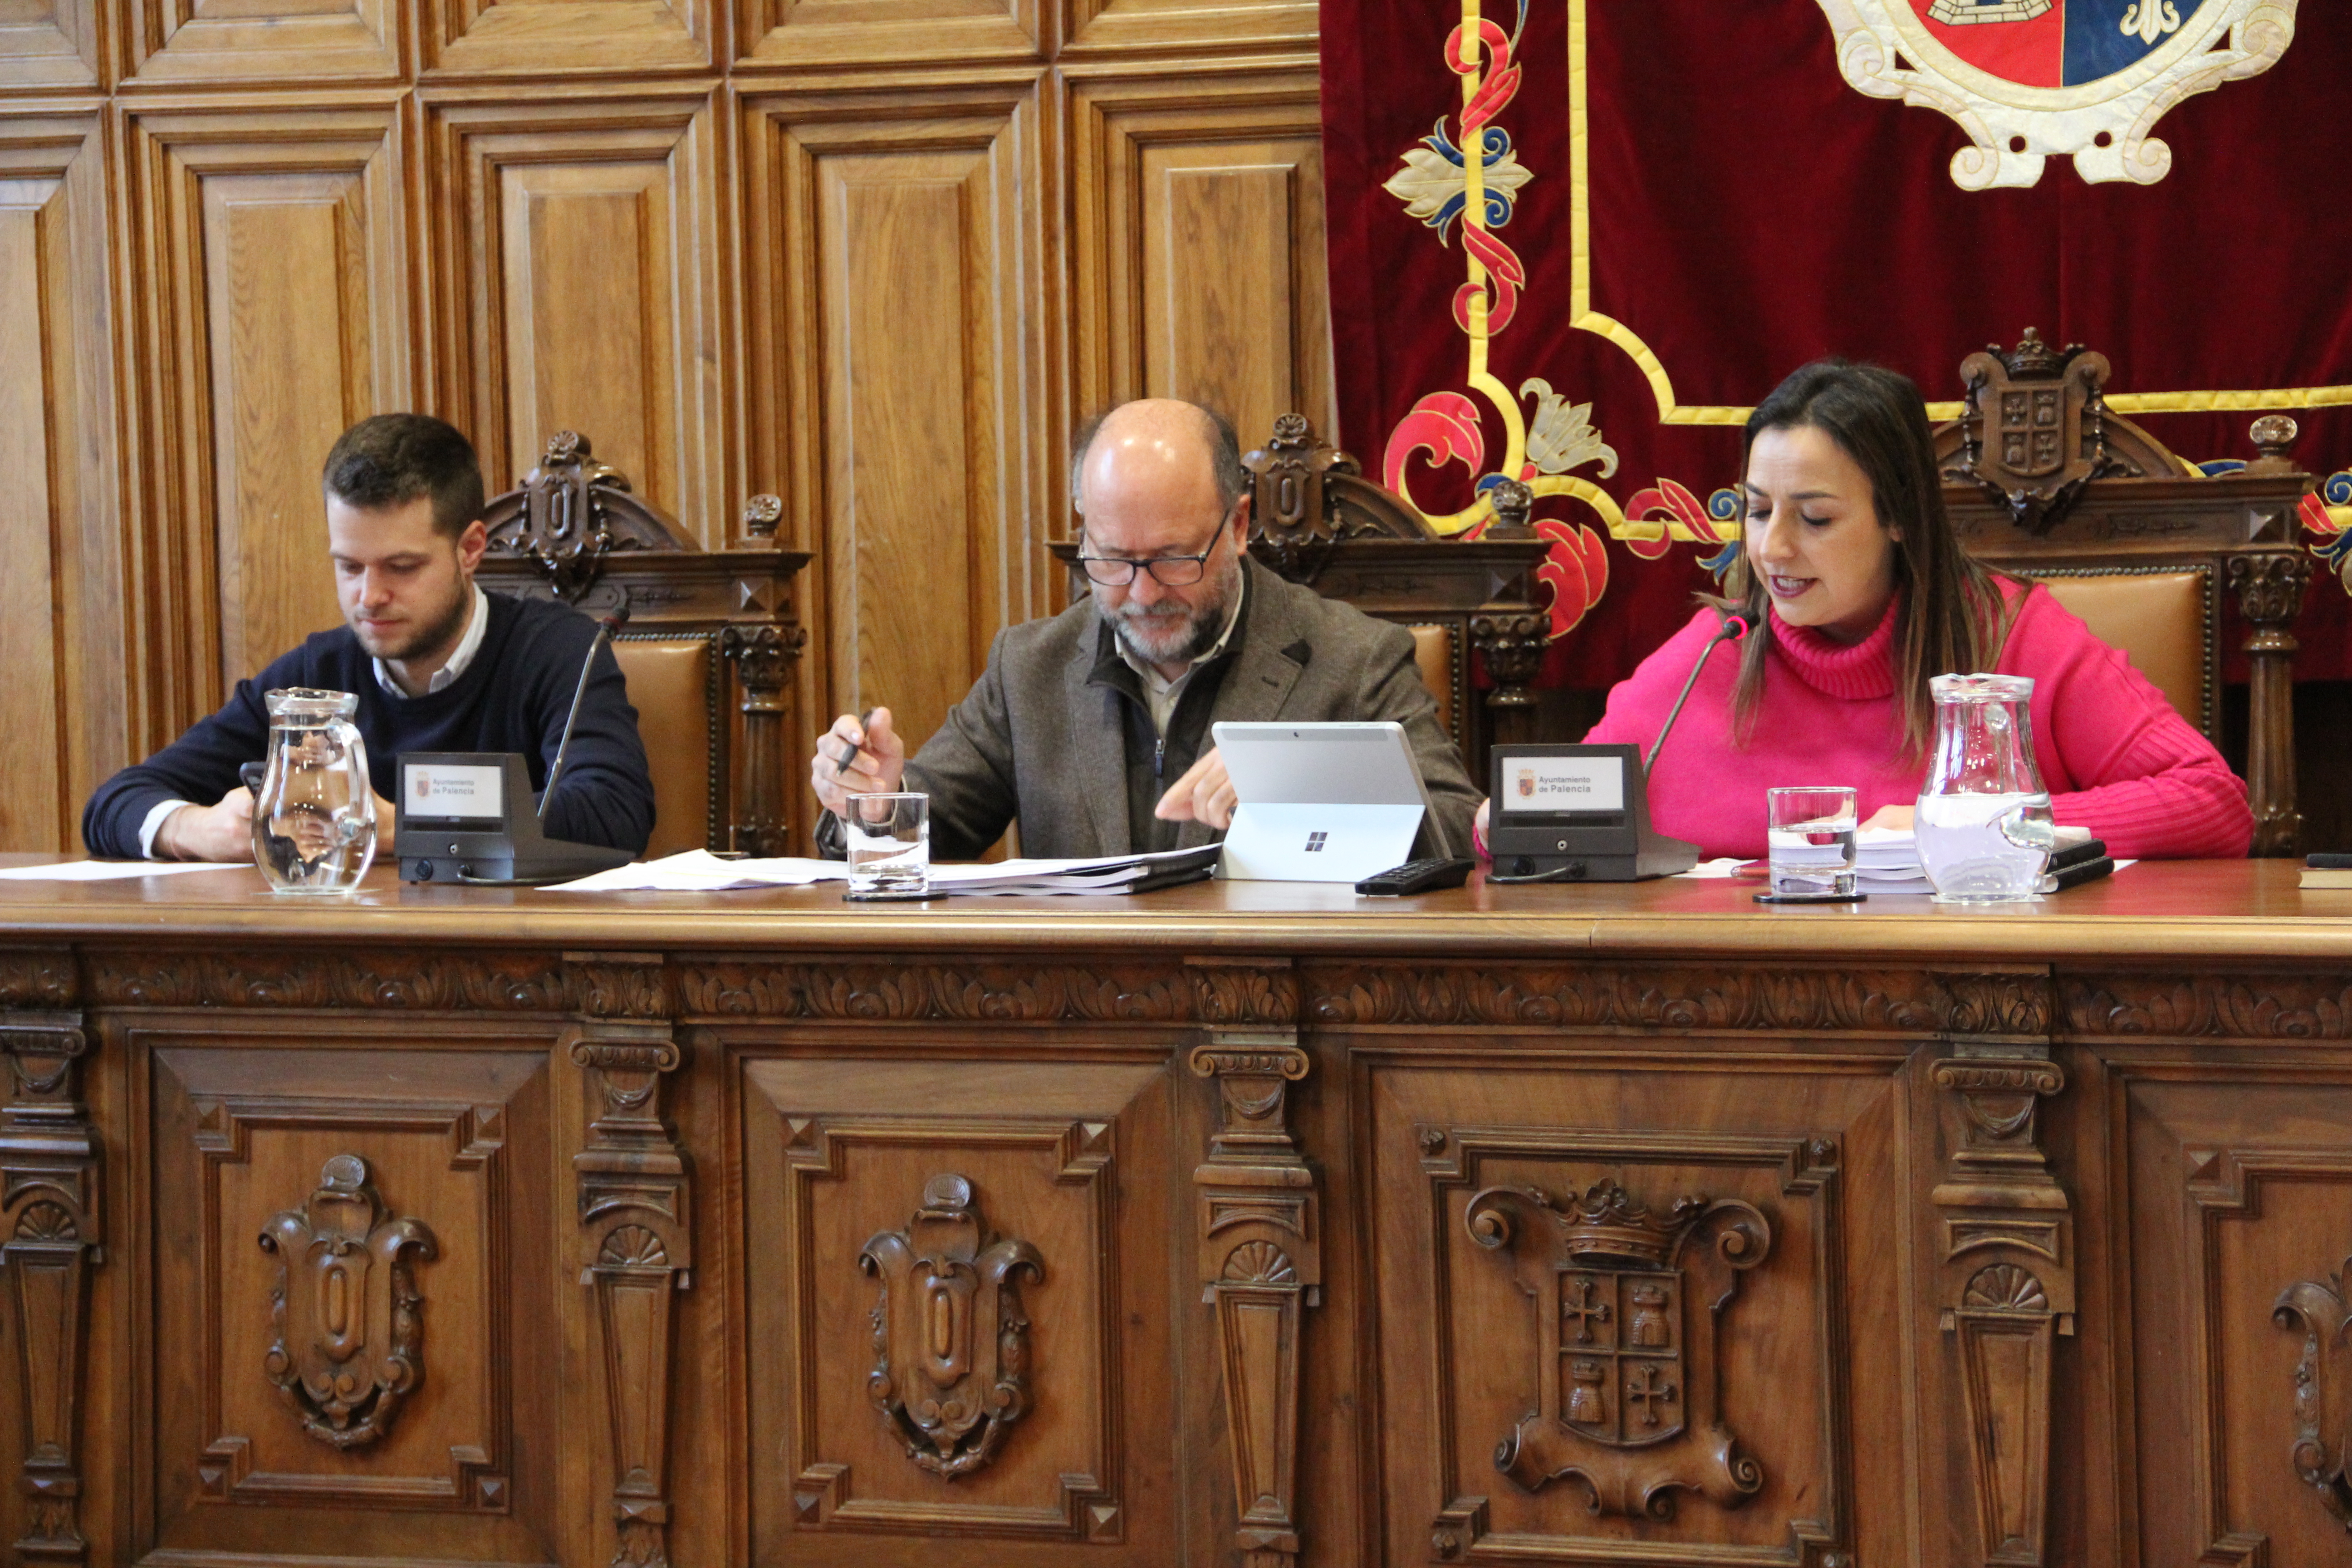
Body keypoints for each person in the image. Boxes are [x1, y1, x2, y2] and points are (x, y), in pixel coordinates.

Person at [1537, 359, 2252, 861]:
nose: (1773, 549)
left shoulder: (2012, 639)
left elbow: (2213, 803)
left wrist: (1972, 825)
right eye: (1757, 512)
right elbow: (1551, 813)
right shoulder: (1714, 649)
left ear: (1899, 517)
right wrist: (1508, 818)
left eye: (1814, 520)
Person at [809, 398, 1480, 861]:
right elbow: (931, 831)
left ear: (1239, 527)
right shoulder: (1030, 668)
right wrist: (875, 803)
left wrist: (1297, 786)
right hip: (1092, 1034)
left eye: (1171, 559)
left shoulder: (1353, 658)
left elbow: (1460, 834)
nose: (1141, 592)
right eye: (1111, 560)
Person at [83, 414, 655, 861]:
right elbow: (114, 801)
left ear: (470, 550)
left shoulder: (560, 653)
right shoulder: (316, 675)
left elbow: (611, 812)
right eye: (349, 567)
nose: (369, 597)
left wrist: (402, 825)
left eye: (401, 567)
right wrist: (196, 829)